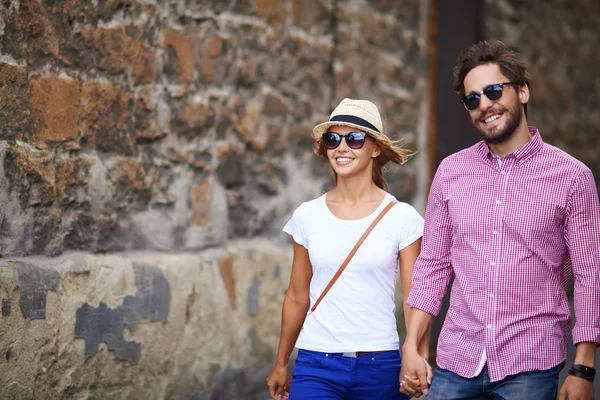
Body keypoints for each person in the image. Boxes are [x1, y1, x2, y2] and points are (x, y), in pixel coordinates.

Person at [399, 40, 600, 400]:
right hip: (456, 360)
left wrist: (583, 368)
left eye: (493, 91)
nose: (484, 105)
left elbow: (589, 274)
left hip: (530, 363)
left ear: (522, 91)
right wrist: (412, 346)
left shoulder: (573, 177)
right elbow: (433, 264)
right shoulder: (451, 172)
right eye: (472, 99)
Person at [266, 98, 430, 400]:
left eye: (354, 139)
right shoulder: (307, 215)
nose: (342, 147)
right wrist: (280, 363)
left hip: (379, 364)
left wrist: (418, 354)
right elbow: (297, 296)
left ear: (375, 149)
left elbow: (415, 297)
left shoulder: (401, 217)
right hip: (316, 364)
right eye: (333, 139)